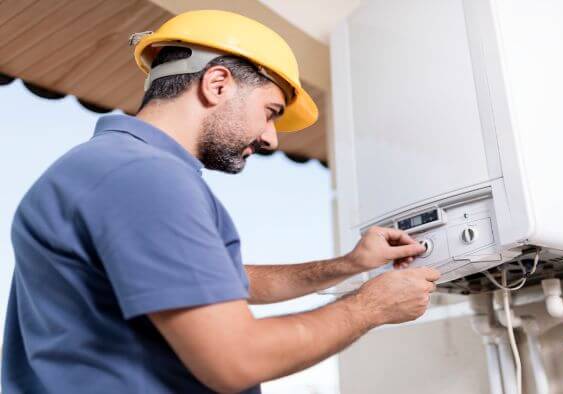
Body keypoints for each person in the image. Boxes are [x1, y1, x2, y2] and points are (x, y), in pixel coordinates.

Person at [2, 10, 440, 394]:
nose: (270, 138)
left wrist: (350, 264)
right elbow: (236, 361)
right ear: (216, 83)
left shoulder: (112, 168)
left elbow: (220, 282)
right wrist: (370, 307)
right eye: (270, 111)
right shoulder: (145, 179)